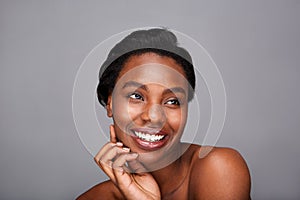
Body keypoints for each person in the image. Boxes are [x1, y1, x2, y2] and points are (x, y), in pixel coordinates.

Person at [77, 28, 251, 200]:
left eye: (172, 101)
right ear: (110, 103)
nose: (154, 117)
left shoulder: (219, 168)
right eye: (136, 96)